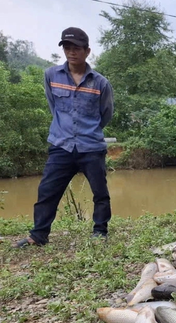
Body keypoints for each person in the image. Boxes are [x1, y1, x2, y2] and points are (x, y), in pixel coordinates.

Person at [13, 27, 114, 248]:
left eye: (76, 48)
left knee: (100, 192)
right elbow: (54, 107)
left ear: (87, 51)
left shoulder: (100, 83)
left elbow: (106, 114)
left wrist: (89, 131)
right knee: (47, 191)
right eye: (67, 48)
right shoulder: (51, 75)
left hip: (91, 146)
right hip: (61, 145)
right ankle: (38, 235)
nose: (71, 52)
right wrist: (65, 129)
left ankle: (100, 231)